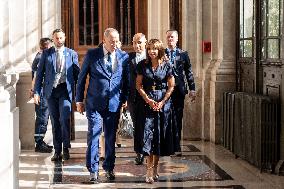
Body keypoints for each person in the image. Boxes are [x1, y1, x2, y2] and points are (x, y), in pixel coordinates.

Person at [75, 28, 129, 182]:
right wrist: (79, 100)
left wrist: (124, 98)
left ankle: (109, 168)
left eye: (117, 40)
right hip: (94, 104)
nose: (115, 44)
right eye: (112, 41)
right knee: (94, 134)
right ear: (104, 40)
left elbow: (126, 80)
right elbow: (81, 78)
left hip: (114, 104)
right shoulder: (92, 54)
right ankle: (93, 170)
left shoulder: (123, 56)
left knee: (111, 138)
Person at [34, 29, 80, 161]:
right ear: (53, 39)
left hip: (65, 91)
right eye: (56, 38)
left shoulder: (72, 54)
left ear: (64, 38)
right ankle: (57, 151)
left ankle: (66, 147)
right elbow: (39, 74)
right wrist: (37, 92)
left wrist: (79, 94)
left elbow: (77, 74)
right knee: (54, 121)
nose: (59, 40)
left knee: (64, 119)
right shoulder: (47, 54)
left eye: (61, 38)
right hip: (51, 92)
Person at [136, 39, 175, 183]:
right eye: (149, 49)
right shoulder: (142, 65)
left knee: (158, 138)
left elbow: (171, 86)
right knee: (148, 137)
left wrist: (163, 101)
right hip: (147, 104)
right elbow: (138, 85)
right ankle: (148, 171)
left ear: (159, 50)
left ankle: (156, 168)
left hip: (162, 105)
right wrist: (148, 100)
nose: (152, 51)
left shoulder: (167, 65)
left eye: (154, 49)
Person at [165, 29, 196, 156]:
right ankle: (167, 146)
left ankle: (177, 147)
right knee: (166, 118)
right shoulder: (162, 53)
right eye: (168, 37)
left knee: (177, 118)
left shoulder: (183, 54)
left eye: (172, 37)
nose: (169, 39)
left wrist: (192, 89)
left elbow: (189, 72)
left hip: (179, 91)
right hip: (166, 91)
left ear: (177, 39)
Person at [30, 37, 53, 153]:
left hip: (43, 90)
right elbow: (36, 76)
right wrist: (34, 91)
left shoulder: (42, 56)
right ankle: (38, 142)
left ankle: (41, 141)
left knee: (44, 116)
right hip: (42, 91)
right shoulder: (41, 57)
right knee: (42, 117)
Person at [127, 33, 147, 165]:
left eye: (139, 42)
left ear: (145, 43)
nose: (137, 45)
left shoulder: (152, 57)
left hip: (149, 98)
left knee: (149, 126)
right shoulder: (128, 58)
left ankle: (150, 151)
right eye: (134, 42)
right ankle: (139, 152)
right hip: (133, 98)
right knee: (138, 126)